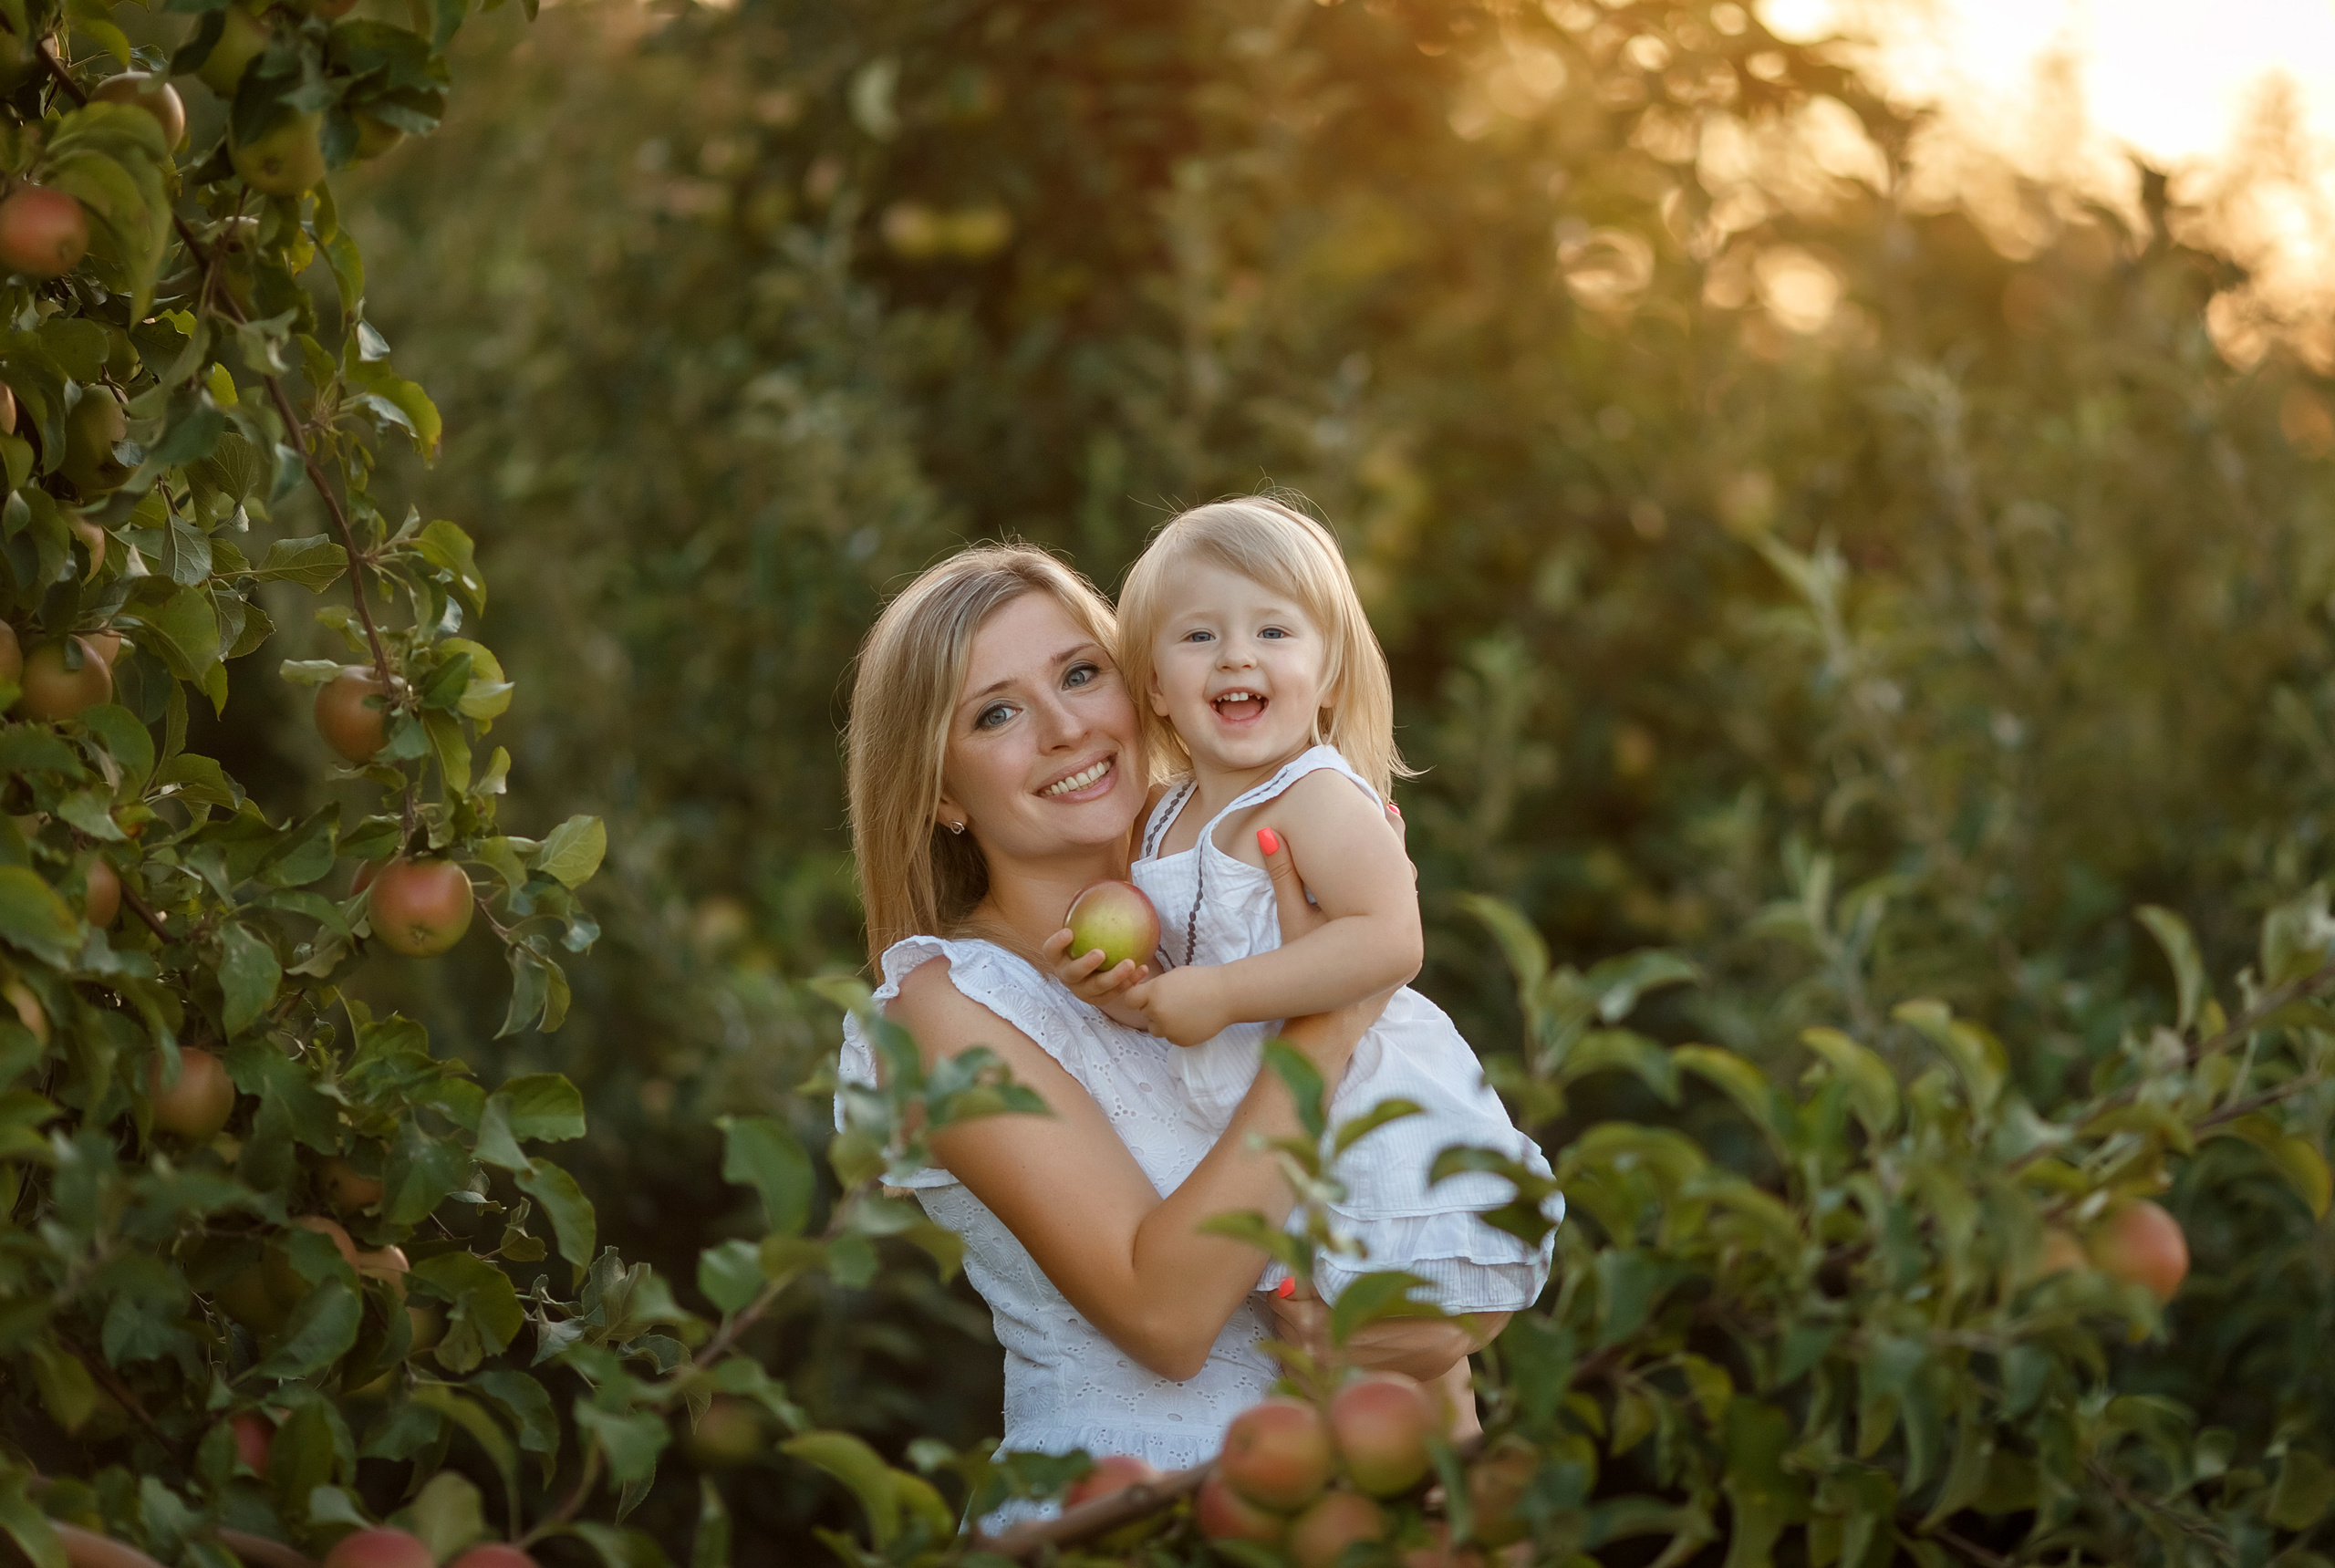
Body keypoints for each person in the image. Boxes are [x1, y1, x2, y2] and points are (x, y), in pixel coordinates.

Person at [835, 544, 1502, 1492]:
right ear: (939, 791)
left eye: (1079, 674)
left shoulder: (1242, 916)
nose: (1065, 727)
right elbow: (1164, 1319)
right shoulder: (940, 1008)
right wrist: (1331, 1002)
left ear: (1140, 687)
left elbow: (1409, 1280)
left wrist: (1438, 1341)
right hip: (1128, 1519)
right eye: (996, 712)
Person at [1053, 496, 1558, 1420]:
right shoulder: (1163, 819)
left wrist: (1221, 993)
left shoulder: (1316, 796)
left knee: (1371, 1350)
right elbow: (1191, 979)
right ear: (1155, 687)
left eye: (1273, 630)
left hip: (1367, 1123)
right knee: (1359, 1410)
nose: (1237, 656)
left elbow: (1390, 939)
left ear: (1326, 674)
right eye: (1199, 635)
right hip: (1272, 1140)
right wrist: (1139, 997)